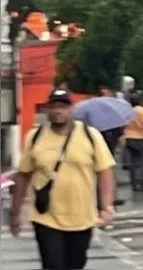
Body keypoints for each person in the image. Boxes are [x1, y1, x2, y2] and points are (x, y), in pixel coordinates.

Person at [9, 89, 116, 270]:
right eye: (54, 106)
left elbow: (105, 171)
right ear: (47, 110)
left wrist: (106, 207)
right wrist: (15, 213)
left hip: (82, 218)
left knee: (75, 264)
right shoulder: (34, 138)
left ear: (71, 109)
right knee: (53, 264)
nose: (58, 111)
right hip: (46, 217)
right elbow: (23, 175)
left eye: (63, 107)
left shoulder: (90, 136)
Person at [122, 95, 143, 191]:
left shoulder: (127, 111)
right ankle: (142, 183)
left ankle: (134, 184)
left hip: (129, 137)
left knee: (133, 162)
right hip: (142, 137)